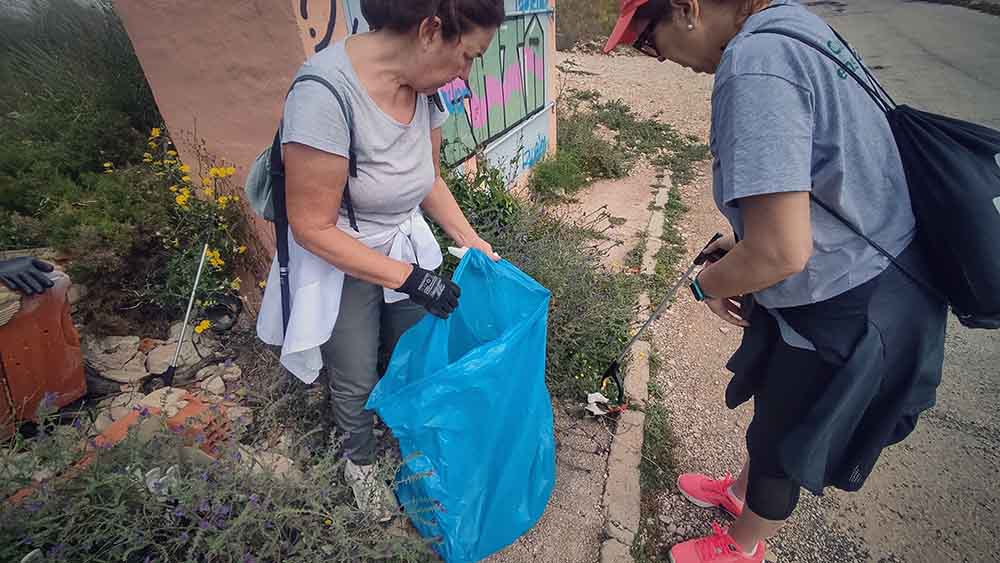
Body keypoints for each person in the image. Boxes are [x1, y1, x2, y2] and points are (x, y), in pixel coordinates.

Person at [604, 1, 946, 561]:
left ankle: (742, 549)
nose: (657, 56)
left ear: (688, 9)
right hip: (866, 266)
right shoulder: (790, 24)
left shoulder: (754, 62)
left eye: (648, 39)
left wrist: (707, 285)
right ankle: (738, 496)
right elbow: (825, 177)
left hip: (852, 294)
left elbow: (781, 251)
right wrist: (742, 245)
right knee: (775, 404)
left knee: (785, 439)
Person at [256, 0, 505, 520]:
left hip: (401, 241)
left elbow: (429, 178)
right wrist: (411, 279)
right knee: (354, 373)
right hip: (339, 254)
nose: (467, 72)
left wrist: (470, 238)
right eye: (467, 56)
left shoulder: (424, 87)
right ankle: (360, 464)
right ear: (431, 30)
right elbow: (312, 226)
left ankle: (411, 440)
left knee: (412, 351)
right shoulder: (324, 93)